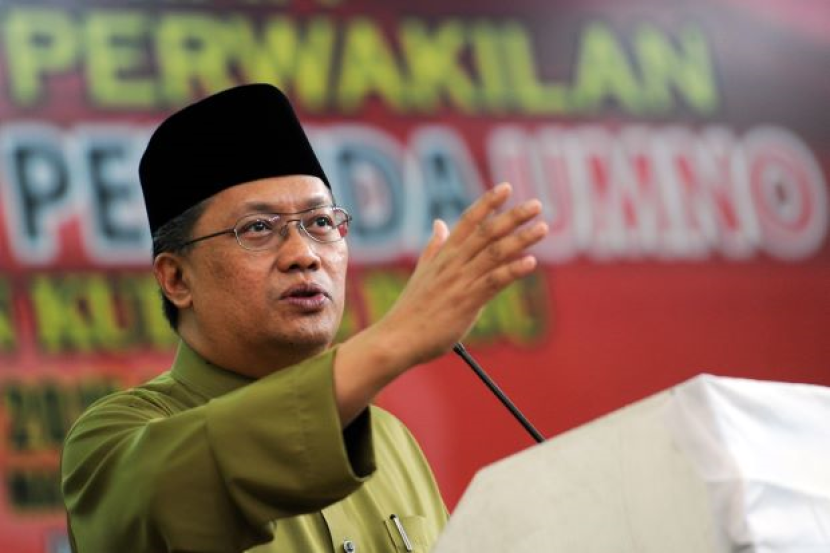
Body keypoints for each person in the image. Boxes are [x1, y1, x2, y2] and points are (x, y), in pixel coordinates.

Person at [60, 83, 548, 552]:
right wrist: (395, 339)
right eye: (258, 228)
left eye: (320, 222)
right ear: (177, 279)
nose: (304, 255)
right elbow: (185, 490)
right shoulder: (113, 439)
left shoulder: (388, 439)